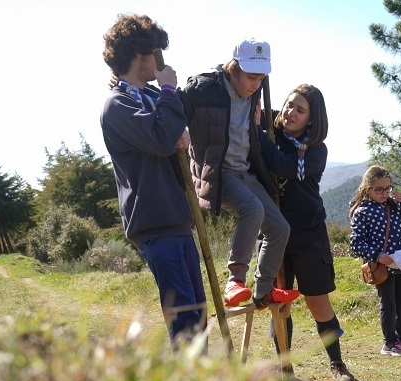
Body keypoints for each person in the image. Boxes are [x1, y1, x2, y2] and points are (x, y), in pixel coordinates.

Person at [100, 14, 206, 346]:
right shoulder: (117, 105)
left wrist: (180, 132)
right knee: (186, 320)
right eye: (155, 53)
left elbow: (168, 133)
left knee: (198, 315)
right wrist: (169, 90)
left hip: (176, 217)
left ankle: (199, 378)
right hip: (156, 221)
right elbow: (160, 139)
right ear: (140, 54)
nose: (159, 61)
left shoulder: (145, 97)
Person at [179, 39, 300, 311]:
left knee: (280, 228)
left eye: (261, 78)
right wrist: (179, 129)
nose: (256, 84)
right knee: (252, 210)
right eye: (251, 77)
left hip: (245, 171)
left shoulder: (255, 92)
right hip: (217, 172)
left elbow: (259, 120)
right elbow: (173, 108)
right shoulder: (203, 88)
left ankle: (264, 290)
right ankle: (235, 281)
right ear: (233, 68)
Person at [256, 84, 356, 381]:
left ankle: (337, 364)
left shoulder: (315, 150)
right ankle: (283, 367)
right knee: (279, 304)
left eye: (300, 110)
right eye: (289, 104)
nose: (290, 112)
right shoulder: (271, 127)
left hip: (307, 233)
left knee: (318, 302)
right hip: (273, 232)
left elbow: (283, 166)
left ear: (312, 119)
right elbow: (248, 104)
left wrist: (259, 134)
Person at [349, 166, 401, 357]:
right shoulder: (362, 211)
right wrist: (377, 255)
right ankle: (389, 343)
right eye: (379, 189)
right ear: (367, 189)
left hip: (400, 262)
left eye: (388, 188)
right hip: (382, 266)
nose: (384, 193)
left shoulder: (394, 205)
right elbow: (355, 243)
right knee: (388, 304)